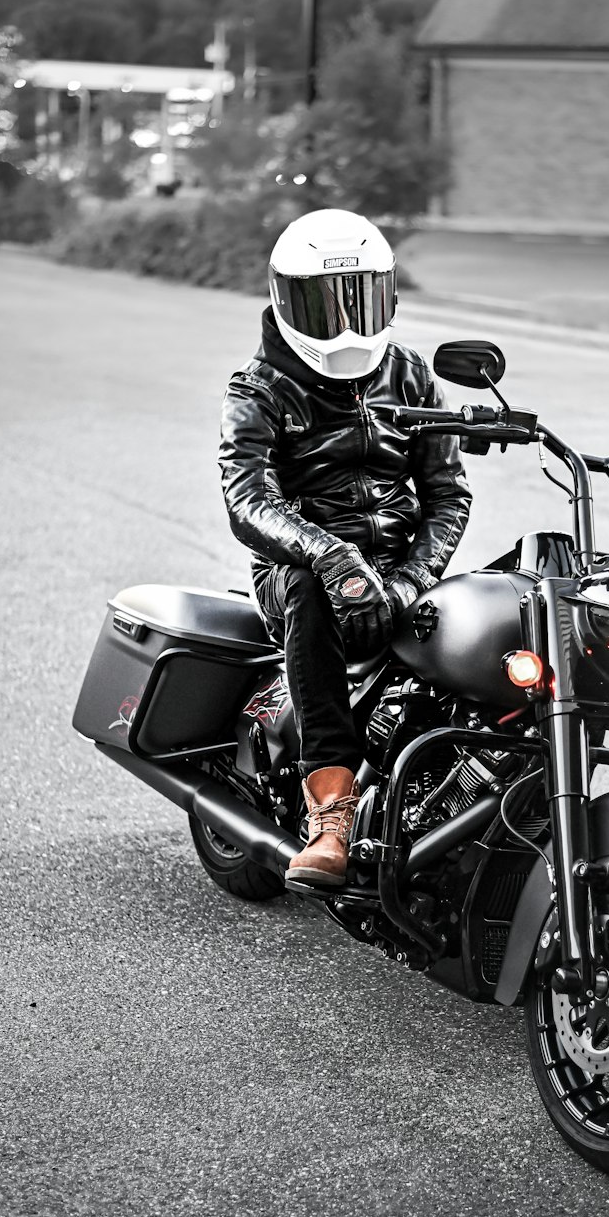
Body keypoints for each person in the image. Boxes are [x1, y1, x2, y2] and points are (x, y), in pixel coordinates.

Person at [218, 208, 472, 887]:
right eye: (325, 303)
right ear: (285, 299)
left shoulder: (412, 374)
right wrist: (331, 557)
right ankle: (330, 809)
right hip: (296, 572)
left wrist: (413, 578)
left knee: (494, 607)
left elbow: (448, 493)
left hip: (396, 570)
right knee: (305, 589)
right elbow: (247, 502)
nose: (346, 322)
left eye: (360, 297)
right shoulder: (258, 388)